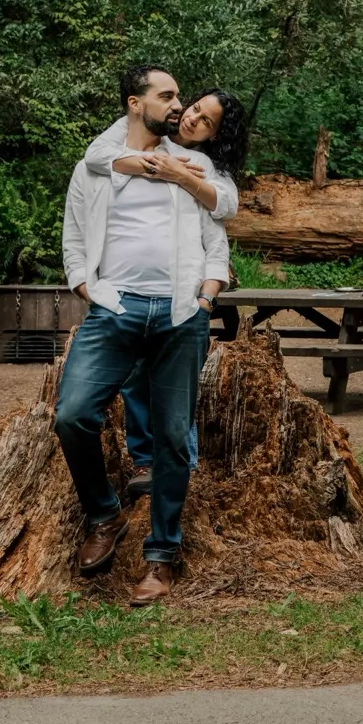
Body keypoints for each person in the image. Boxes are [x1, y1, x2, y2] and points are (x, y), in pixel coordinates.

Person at [57, 64, 231, 606]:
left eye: (182, 97)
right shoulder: (98, 166)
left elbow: (217, 231)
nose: (180, 106)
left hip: (181, 313)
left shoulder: (194, 163)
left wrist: (206, 297)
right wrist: (88, 287)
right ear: (136, 104)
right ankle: (105, 516)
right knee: (72, 415)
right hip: (116, 310)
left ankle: (161, 556)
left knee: (175, 438)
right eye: (169, 96)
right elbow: (73, 235)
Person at [83, 89, 243, 494]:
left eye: (207, 120)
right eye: (195, 109)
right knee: (136, 377)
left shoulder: (206, 165)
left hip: (183, 291)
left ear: (216, 134)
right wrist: (150, 163)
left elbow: (225, 207)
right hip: (130, 290)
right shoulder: (148, 133)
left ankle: (179, 466)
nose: (193, 119)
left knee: (174, 388)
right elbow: (96, 156)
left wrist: (182, 176)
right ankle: (145, 460)